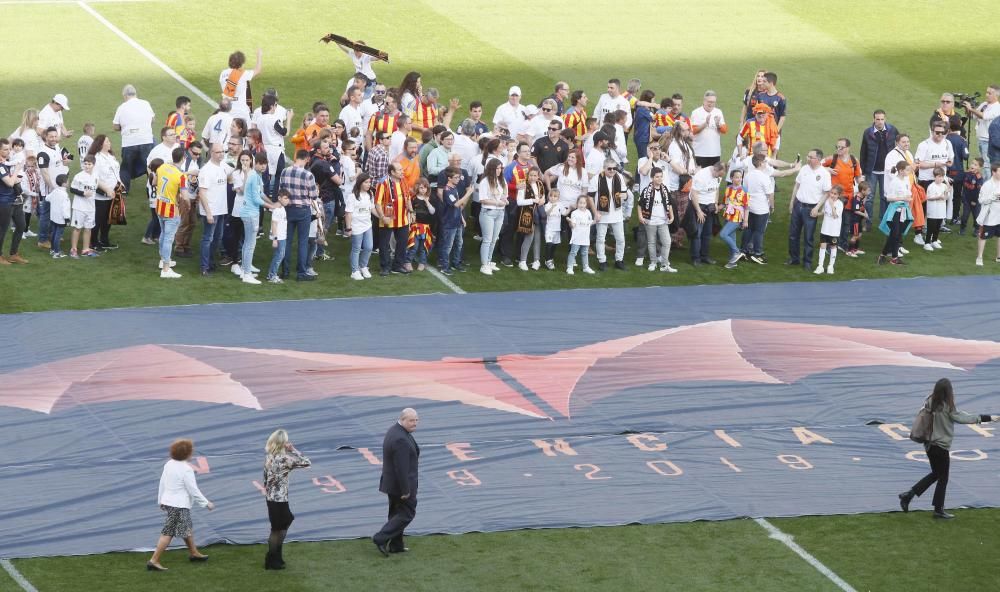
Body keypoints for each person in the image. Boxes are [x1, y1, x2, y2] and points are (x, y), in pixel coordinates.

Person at [897, 379, 996, 519]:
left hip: (929, 445)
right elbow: (963, 418)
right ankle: (938, 510)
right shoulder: (946, 407)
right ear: (947, 392)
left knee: (936, 474)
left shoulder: (929, 401)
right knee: (943, 477)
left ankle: (909, 495)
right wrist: (987, 418)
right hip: (941, 447)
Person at [147, 438, 214, 571]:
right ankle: (154, 560)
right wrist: (206, 503)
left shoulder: (169, 464)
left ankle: (194, 553)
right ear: (188, 454)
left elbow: (162, 483)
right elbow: (193, 489)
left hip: (170, 503)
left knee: (186, 528)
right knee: (168, 532)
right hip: (179, 505)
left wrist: (161, 500)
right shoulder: (186, 469)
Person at [373, 408, 420, 556]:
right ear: (403, 419)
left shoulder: (396, 431)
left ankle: (396, 545)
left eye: (417, 420)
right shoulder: (400, 438)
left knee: (395, 514)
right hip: (401, 486)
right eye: (412, 420)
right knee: (407, 513)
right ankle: (380, 538)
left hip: (391, 484)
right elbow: (401, 468)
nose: (415, 423)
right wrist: (406, 490)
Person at [262, 428, 311, 570]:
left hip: (271, 498)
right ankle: (271, 560)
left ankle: (276, 556)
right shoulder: (285, 459)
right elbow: (307, 462)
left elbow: (265, 479)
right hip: (280, 499)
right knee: (277, 529)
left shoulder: (269, 457)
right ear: (283, 443)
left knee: (282, 525)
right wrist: (294, 450)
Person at [277, 150, 319, 281]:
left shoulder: (285, 171)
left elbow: (281, 190)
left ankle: (285, 271)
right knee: (302, 242)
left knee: (287, 241)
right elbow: (313, 196)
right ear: (306, 159)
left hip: (288, 209)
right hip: (303, 210)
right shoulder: (308, 175)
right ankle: (301, 273)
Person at [787, 149, 832, 270]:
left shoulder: (824, 174)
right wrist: (792, 202)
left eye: (810, 157)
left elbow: (827, 192)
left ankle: (807, 262)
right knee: (793, 235)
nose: (808, 158)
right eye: (808, 156)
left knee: (808, 237)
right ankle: (794, 258)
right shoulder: (804, 169)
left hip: (811, 209)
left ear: (817, 159)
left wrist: (817, 208)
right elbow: (797, 185)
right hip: (798, 205)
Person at [197, 144, 234, 275]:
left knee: (217, 238)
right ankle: (204, 267)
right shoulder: (206, 170)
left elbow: (231, 175)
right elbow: (202, 193)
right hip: (211, 210)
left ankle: (210, 262)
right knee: (208, 238)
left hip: (221, 209)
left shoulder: (223, 165)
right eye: (218, 152)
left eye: (222, 152)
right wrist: (208, 213)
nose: (221, 154)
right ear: (211, 153)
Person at [240, 153, 276, 284]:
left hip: (248, 213)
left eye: (265, 163)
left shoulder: (256, 176)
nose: (263, 166)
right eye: (261, 163)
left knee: (247, 244)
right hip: (250, 214)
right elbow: (256, 199)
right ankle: (247, 274)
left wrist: (272, 202)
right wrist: (271, 207)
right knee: (250, 245)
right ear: (255, 163)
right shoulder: (254, 177)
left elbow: (261, 193)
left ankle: (245, 271)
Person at [113, 84, 155, 193]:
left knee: (126, 167)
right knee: (149, 166)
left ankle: (124, 190)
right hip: (146, 140)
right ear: (135, 94)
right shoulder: (146, 103)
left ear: (125, 95)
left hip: (129, 142)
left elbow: (115, 126)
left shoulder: (122, 107)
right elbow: (153, 119)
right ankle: (152, 187)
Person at [859, 110, 898, 227]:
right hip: (872, 171)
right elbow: (863, 152)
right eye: (877, 119)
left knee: (884, 197)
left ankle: (883, 221)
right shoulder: (867, 132)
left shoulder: (893, 130)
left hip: (887, 171)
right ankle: (868, 221)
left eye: (882, 119)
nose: (880, 122)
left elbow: (898, 147)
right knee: (869, 197)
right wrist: (863, 170)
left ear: (885, 119)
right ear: (873, 119)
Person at [154, 148, 188, 279]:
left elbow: (154, 182)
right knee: (168, 238)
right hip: (171, 210)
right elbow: (185, 197)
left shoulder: (162, 167)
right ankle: (166, 269)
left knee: (163, 234)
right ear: (184, 158)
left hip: (159, 206)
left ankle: (163, 260)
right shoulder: (181, 176)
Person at [589, 158, 628, 271]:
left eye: (614, 168)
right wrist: (595, 212)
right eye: (609, 169)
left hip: (617, 213)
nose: (612, 171)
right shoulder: (596, 178)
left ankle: (619, 260)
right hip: (602, 213)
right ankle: (602, 261)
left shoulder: (619, 177)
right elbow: (590, 196)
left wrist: (624, 196)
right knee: (601, 239)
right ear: (604, 168)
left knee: (620, 239)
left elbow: (625, 194)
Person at [822, 138, 862, 248]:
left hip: (849, 196)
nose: (838, 149)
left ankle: (842, 244)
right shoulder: (832, 159)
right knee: (833, 220)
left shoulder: (854, 160)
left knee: (846, 222)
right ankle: (830, 244)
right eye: (837, 147)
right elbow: (818, 165)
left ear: (848, 148)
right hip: (835, 196)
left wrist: (862, 190)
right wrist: (827, 170)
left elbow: (858, 177)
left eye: (841, 147)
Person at [375, 162, 412, 276]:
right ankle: (385, 267)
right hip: (387, 218)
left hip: (403, 219)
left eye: (402, 169)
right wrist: (382, 217)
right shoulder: (383, 183)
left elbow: (408, 197)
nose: (402, 172)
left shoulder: (403, 181)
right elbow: (377, 202)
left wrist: (411, 211)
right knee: (384, 244)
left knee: (402, 243)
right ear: (392, 172)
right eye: (400, 170)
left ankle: (397, 266)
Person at [637, 167, 675, 272]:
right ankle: (653, 262)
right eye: (657, 177)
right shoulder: (646, 190)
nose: (659, 179)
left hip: (663, 221)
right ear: (652, 178)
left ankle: (664, 264)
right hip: (650, 221)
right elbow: (639, 205)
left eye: (661, 176)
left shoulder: (665, 189)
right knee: (651, 242)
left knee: (667, 242)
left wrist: (672, 216)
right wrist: (640, 217)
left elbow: (669, 204)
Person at [877, 161, 914, 265]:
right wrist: (903, 198)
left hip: (903, 210)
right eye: (907, 170)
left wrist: (908, 198)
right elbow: (889, 198)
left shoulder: (906, 180)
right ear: (901, 171)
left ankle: (884, 255)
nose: (909, 171)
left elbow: (908, 193)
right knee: (895, 234)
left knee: (896, 234)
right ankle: (893, 257)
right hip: (895, 211)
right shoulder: (894, 182)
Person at [689, 162, 724, 266]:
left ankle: (704, 256)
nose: (720, 177)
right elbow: (694, 194)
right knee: (697, 233)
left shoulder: (718, 176)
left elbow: (716, 189)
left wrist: (716, 203)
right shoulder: (701, 176)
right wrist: (698, 211)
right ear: (715, 170)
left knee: (707, 233)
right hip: (699, 206)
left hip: (710, 207)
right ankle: (695, 258)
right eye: (719, 174)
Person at [477, 159, 508, 274]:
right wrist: (496, 203)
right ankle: (484, 264)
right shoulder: (485, 181)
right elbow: (483, 199)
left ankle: (489, 261)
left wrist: (504, 200)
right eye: (497, 168)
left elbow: (504, 195)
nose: (499, 170)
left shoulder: (502, 180)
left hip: (500, 212)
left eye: (501, 168)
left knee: (494, 239)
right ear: (492, 169)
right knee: (487, 239)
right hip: (488, 212)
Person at [0, 139, 26, 264]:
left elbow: (15, 180)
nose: (9, 151)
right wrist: (17, 169)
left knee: (21, 225)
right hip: (4, 201)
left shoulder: (6, 162)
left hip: (15, 199)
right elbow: (10, 182)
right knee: (2, 229)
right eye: (5, 149)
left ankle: (13, 253)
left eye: (9, 149)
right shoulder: (1, 166)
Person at [220, 48, 263, 126]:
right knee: (246, 134)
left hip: (226, 108)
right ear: (241, 63)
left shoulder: (223, 73)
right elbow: (258, 70)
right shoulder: (243, 74)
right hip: (240, 109)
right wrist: (259, 56)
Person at [515, 166, 546, 270]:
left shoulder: (540, 184)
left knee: (538, 237)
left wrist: (542, 201)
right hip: (528, 214)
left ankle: (536, 260)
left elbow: (543, 197)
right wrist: (533, 200)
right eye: (531, 175)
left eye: (535, 175)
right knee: (529, 237)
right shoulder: (523, 185)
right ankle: (522, 261)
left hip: (539, 214)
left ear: (538, 176)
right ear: (528, 175)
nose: (533, 178)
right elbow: (519, 202)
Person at [345, 172, 375, 280]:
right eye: (366, 182)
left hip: (367, 225)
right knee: (356, 248)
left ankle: (363, 266)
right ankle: (355, 270)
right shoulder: (352, 197)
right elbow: (348, 213)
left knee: (369, 247)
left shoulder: (370, 195)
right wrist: (348, 228)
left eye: (369, 182)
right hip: (356, 226)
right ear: (360, 183)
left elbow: (372, 209)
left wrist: (382, 216)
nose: (368, 185)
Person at [69, 155, 99, 259]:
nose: (86, 166)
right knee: (77, 228)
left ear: (93, 165)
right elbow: (72, 189)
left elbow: (95, 189)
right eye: (85, 164)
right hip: (79, 207)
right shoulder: (79, 176)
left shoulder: (95, 175)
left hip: (91, 207)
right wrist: (83, 193)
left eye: (89, 164)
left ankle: (85, 249)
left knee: (88, 228)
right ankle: (73, 250)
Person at [811, 185, 844, 275]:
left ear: (839, 195)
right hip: (825, 229)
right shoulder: (826, 201)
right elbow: (824, 212)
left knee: (833, 247)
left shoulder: (840, 204)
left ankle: (830, 266)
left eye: (835, 194)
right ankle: (820, 266)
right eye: (831, 193)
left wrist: (832, 205)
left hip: (834, 231)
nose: (832, 195)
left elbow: (835, 215)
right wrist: (816, 214)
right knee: (822, 247)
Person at [719, 169, 749, 268]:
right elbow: (725, 202)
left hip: (736, 218)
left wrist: (745, 220)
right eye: (737, 177)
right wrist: (718, 208)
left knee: (723, 234)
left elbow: (746, 207)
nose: (739, 179)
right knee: (731, 238)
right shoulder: (728, 188)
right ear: (731, 178)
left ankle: (737, 252)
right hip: (728, 216)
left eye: (740, 177)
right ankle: (733, 262)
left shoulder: (744, 190)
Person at [965, 85, 1000, 168]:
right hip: (980, 139)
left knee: (988, 165)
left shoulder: (997, 107)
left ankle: (990, 180)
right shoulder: (984, 104)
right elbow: (973, 116)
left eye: (989, 93)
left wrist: (971, 109)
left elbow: (984, 116)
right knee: (984, 163)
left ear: (996, 95)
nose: (987, 95)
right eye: (987, 92)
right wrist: (967, 108)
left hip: (988, 141)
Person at [690, 91, 728, 167]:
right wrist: (704, 124)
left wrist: (718, 125)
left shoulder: (718, 112)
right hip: (699, 152)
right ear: (704, 101)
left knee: (713, 175)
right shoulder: (696, 112)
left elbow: (725, 130)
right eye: (709, 102)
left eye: (713, 102)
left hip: (715, 152)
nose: (711, 104)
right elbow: (692, 131)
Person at [974, 163, 1000, 266]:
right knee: (983, 237)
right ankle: (979, 257)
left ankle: (998, 256)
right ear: (994, 172)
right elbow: (981, 200)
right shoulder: (987, 185)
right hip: (988, 218)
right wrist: (992, 198)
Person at [266, 189, 291, 283]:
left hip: (282, 236)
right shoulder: (277, 210)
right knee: (279, 256)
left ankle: (272, 275)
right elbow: (274, 224)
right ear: (279, 198)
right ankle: (272, 276)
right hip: (279, 237)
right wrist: (275, 239)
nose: (287, 200)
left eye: (288, 198)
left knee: (279, 256)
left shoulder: (282, 208)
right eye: (285, 198)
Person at [923, 167, 950, 251]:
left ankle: (934, 240)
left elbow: (946, 196)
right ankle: (927, 242)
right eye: (938, 176)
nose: (940, 178)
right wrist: (938, 197)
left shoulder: (944, 186)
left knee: (938, 226)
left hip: (941, 210)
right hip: (933, 211)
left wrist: (947, 193)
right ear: (935, 177)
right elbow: (928, 197)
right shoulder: (931, 186)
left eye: (942, 177)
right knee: (931, 226)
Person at [566, 195, 594, 274]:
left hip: (585, 237)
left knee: (585, 252)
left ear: (586, 204)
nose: (582, 205)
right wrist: (570, 221)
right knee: (573, 252)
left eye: (584, 203)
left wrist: (596, 220)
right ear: (577, 203)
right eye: (580, 203)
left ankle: (586, 267)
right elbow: (573, 226)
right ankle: (569, 267)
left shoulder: (588, 212)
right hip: (576, 237)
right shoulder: (574, 213)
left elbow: (590, 223)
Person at [45, 173, 71, 259]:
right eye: (68, 181)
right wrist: (67, 219)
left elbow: (47, 198)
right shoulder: (64, 195)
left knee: (54, 233)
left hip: (53, 217)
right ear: (64, 183)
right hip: (61, 219)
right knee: (58, 235)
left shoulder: (55, 191)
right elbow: (65, 208)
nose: (69, 182)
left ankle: (52, 250)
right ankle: (57, 252)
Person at [541, 189, 567, 269]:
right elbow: (546, 214)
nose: (553, 198)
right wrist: (552, 207)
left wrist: (571, 208)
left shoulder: (560, 205)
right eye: (551, 196)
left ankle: (550, 258)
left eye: (555, 196)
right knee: (549, 244)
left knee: (554, 245)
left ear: (558, 198)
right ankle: (548, 260)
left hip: (557, 229)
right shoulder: (547, 205)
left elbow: (564, 213)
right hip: (549, 229)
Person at [959, 157, 984, 235]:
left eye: (975, 164)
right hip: (966, 199)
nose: (972, 165)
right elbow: (962, 182)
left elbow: (978, 191)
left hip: (975, 201)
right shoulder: (967, 174)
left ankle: (976, 229)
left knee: (976, 216)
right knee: (964, 216)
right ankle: (962, 228)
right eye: (972, 163)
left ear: (979, 167)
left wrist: (974, 201)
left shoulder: (979, 178)